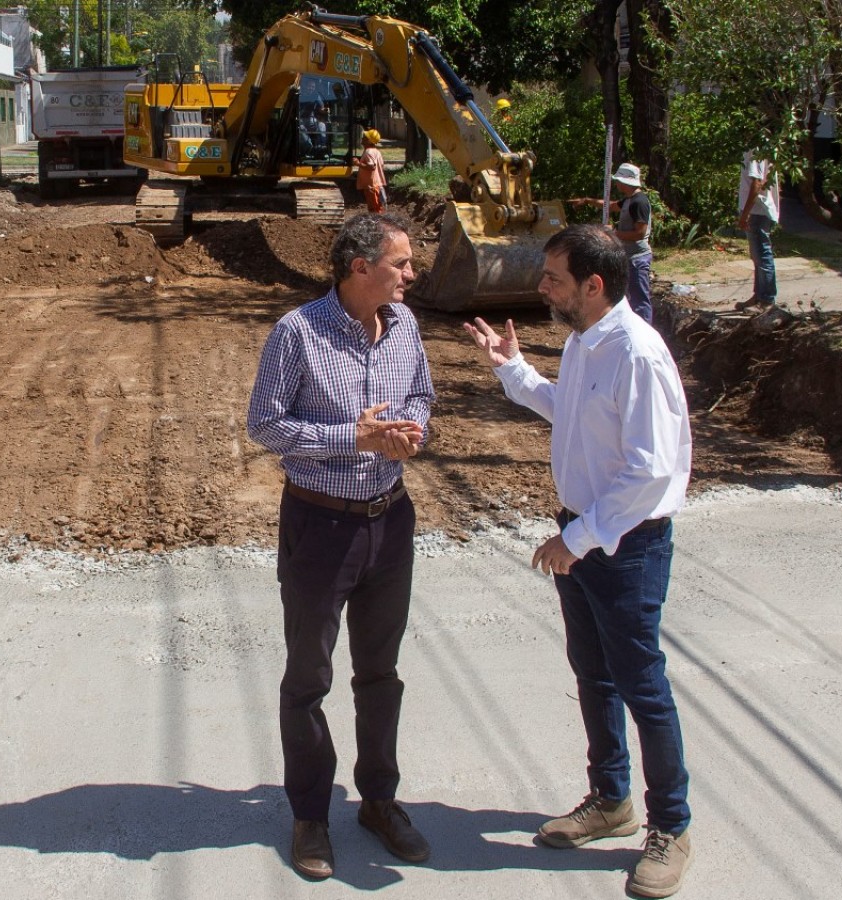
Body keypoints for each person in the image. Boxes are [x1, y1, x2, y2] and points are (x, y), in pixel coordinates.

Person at [463, 224, 695, 898]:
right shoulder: (586, 342)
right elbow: (570, 412)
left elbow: (651, 473)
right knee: (594, 676)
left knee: (642, 686)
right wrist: (513, 370)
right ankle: (610, 800)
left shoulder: (637, 354)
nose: (542, 287)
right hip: (587, 536)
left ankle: (671, 827)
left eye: (554, 278)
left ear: (594, 286)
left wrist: (579, 537)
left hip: (624, 546)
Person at [247, 213, 435, 881]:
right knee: (309, 679)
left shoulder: (405, 326)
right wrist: (347, 438)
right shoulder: (298, 333)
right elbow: (264, 425)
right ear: (361, 268)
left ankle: (379, 802)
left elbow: (420, 392)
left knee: (380, 675)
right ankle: (309, 815)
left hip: (391, 521)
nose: (412, 274)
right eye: (401, 263)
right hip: (321, 527)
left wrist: (410, 431)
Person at [571, 163, 654, 323]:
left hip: (637, 257)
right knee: (627, 297)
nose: (616, 184)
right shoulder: (629, 200)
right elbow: (611, 206)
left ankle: (644, 333)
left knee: (639, 299)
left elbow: (639, 233)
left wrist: (613, 232)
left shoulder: (639, 202)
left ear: (625, 182)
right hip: (628, 256)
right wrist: (587, 201)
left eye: (618, 181)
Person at [737, 150, 780, 309]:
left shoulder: (757, 149)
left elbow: (757, 184)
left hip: (757, 210)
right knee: (757, 256)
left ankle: (767, 299)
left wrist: (745, 214)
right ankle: (759, 296)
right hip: (757, 210)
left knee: (762, 256)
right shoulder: (761, 146)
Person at [356, 129, 387, 214]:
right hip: (376, 184)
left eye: (364, 137)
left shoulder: (368, 151)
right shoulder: (376, 152)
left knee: (375, 211)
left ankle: (377, 226)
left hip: (372, 186)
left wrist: (358, 164)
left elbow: (372, 166)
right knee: (376, 209)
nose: (362, 138)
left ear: (369, 140)